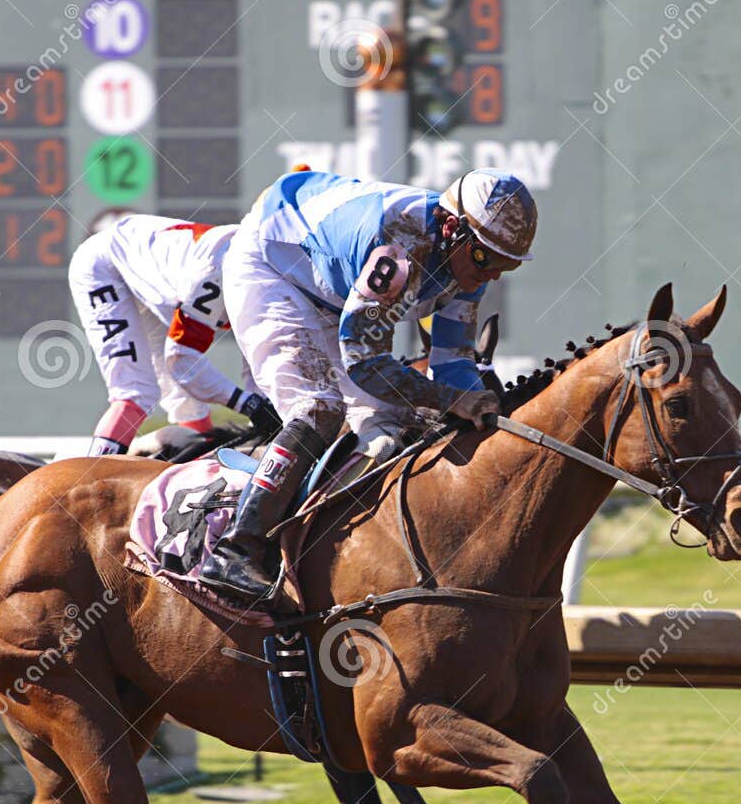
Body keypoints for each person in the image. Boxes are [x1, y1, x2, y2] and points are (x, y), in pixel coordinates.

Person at [192, 166, 536, 601]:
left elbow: (452, 363)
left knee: (390, 427)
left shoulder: (466, 260)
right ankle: (236, 550)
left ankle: (341, 552)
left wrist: (481, 407)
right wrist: (453, 400)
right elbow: (364, 364)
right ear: (451, 228)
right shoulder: (399, 249)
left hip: (332, 289)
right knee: (318, 408)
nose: (493, 275)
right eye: (487, 259)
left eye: (507, 264)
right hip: (270, 269)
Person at [68, 214, 275, 456]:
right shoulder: (216, 271)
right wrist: (250, 405)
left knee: (191, 411)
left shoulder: (273, 279)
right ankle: (90, 473)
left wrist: (268, 409)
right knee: (134, 393)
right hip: (105, 267)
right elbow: (181, 360)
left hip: (162, 283)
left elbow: (259, 364)